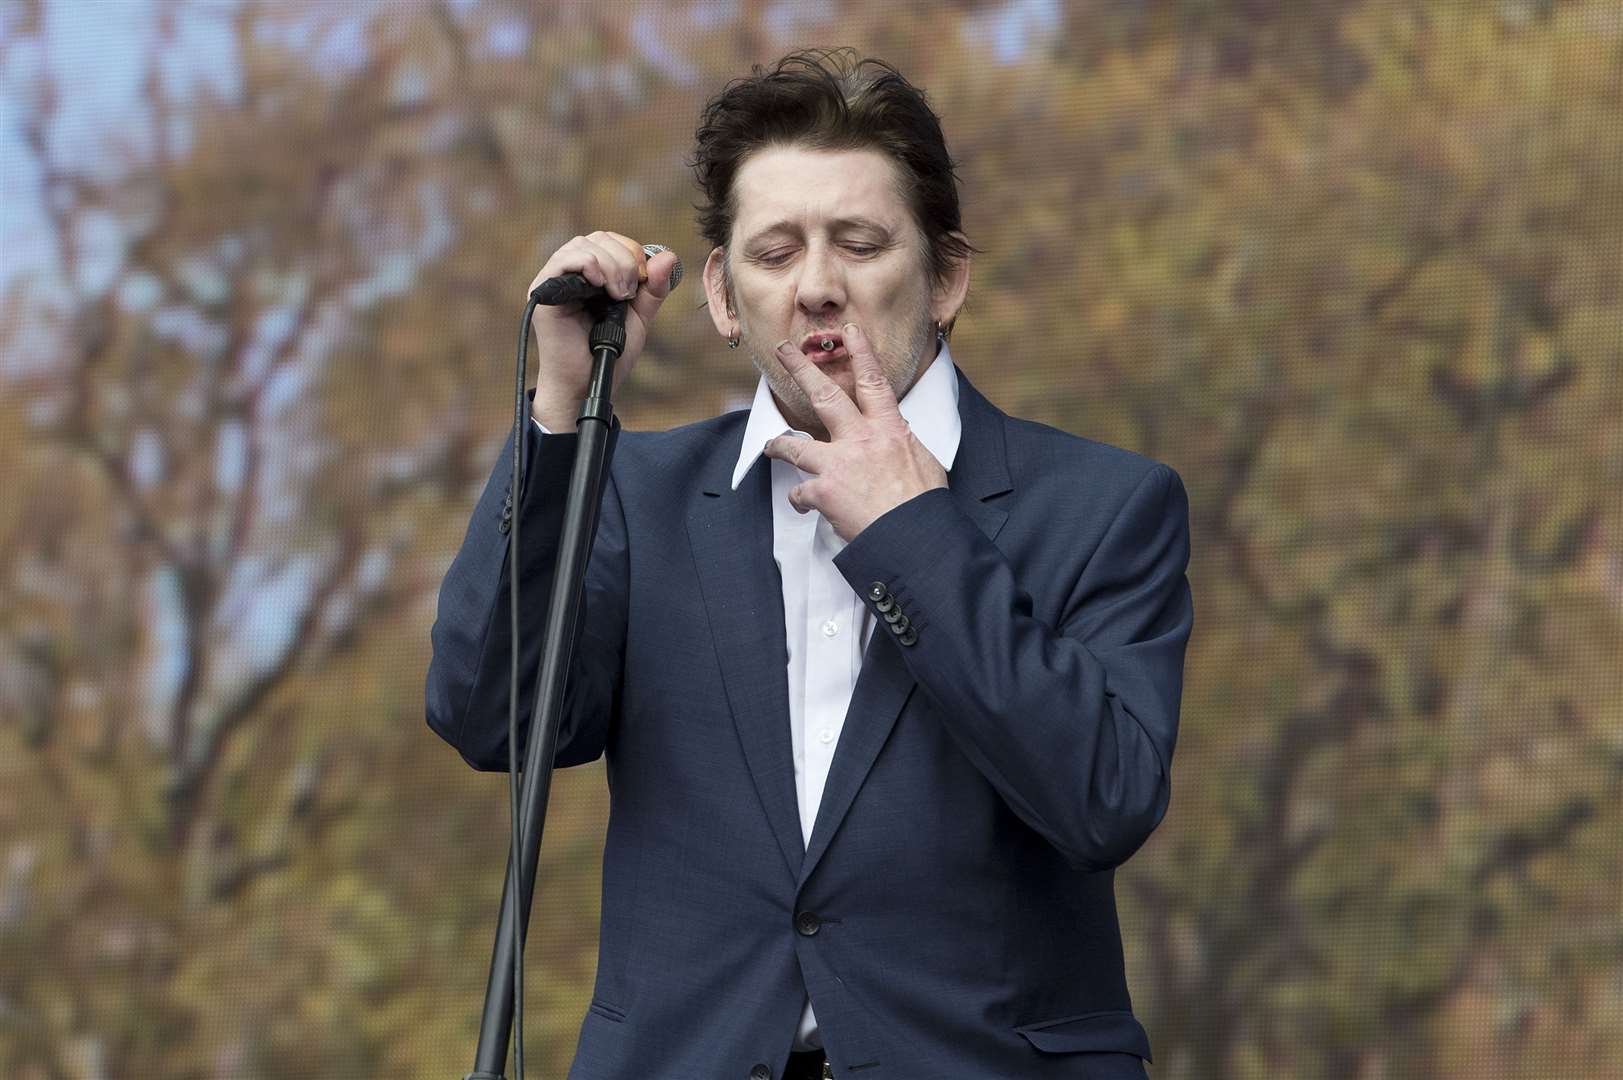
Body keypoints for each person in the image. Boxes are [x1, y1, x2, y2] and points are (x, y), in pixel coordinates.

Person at [427, 48, 1192, 1080]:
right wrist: (561, 408)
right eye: (776, 252)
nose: (819, 286)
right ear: (724, 294)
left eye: (861, 243)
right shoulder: (632, 492)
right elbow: (489, 717)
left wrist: (912, 533)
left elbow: (1102, 798)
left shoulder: (1105, 507)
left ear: (947, 277)